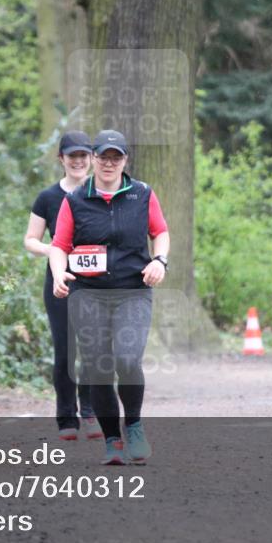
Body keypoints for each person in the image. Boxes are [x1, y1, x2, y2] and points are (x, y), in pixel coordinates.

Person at [48, 129, 169, 465]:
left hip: (133, 291)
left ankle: (133, 426)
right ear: (94, 159)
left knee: (128, 360)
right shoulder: (75, 201)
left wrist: (160, 260)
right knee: (97, 366)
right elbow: (59, 245)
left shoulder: (142, 194)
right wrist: (60, 273)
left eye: (116, 157)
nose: (109, 163)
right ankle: (112, 440)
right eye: (103, 156)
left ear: (125, 161)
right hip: (89, 294)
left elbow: (160, 232)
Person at [24, 131, 102, 441]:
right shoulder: (48, 197)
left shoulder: (103, 193)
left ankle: (90, 410)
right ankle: (67, 419)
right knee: (65, 351)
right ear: (62, 159)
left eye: (84, 155)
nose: (78, 161)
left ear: (92, 159)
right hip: (60, 282)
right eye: (72, 156)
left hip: (97, 283)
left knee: (95, 350)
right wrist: (54, 250)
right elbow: (30, 239)